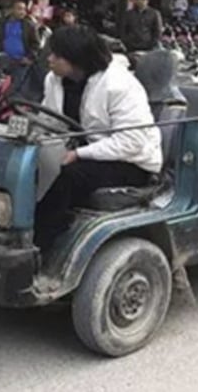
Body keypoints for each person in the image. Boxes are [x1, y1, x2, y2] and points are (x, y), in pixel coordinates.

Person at [34, 26, 163, 249]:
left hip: (130, 161)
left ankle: (41, 243)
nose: (50, 59)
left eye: (57, 55)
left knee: (67, 178)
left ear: (76, 58)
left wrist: (78, 154)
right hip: (85, 151)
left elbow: (131, 142)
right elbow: (51, 120)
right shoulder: (54, 80)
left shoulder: (119, 85)